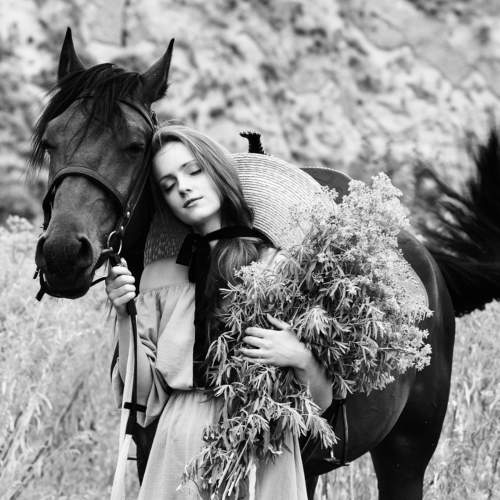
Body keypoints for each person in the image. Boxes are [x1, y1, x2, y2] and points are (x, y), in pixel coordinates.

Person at [106, 125, 333, 499]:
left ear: (218, 173)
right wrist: (124, 314)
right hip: (181, 447)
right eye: (168, 185)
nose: (183, 188)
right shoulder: (159, 278)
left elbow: (319, 403)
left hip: (264, 446)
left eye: (193, 171)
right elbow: (142, 396)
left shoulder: (281, 269)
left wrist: (300, 357)